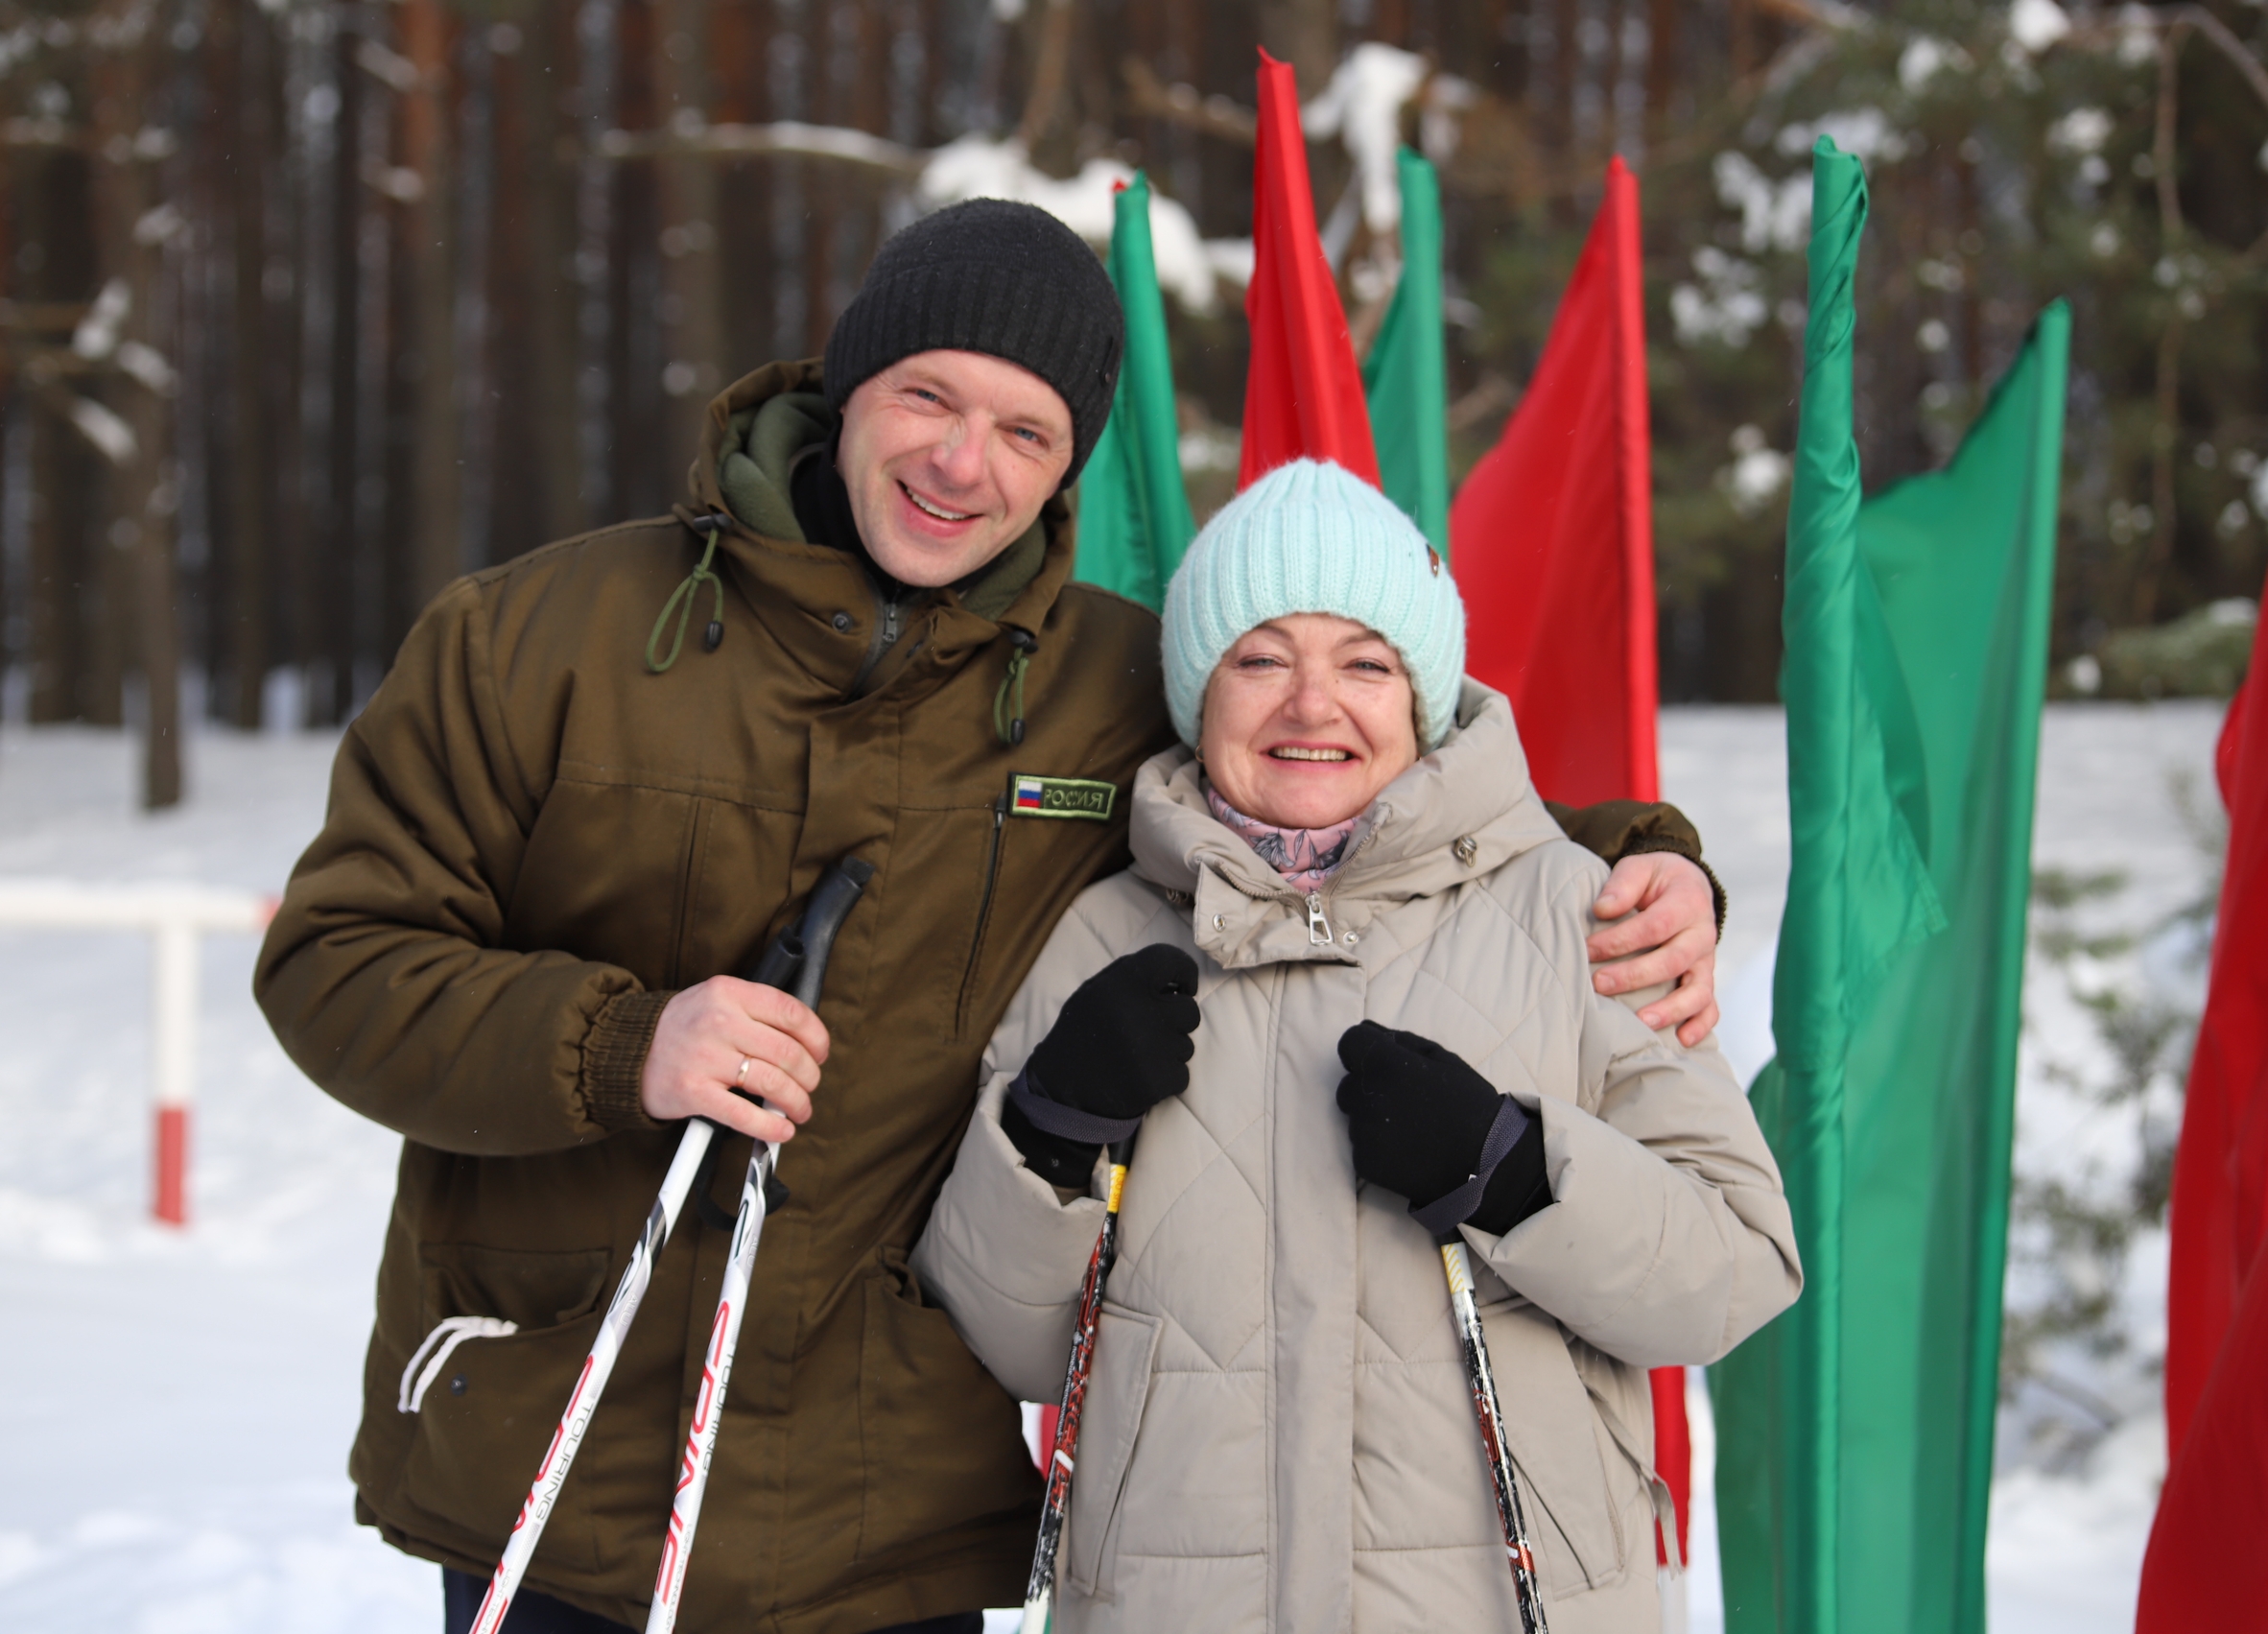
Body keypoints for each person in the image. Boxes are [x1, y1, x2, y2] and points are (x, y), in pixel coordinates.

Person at [254, 201, 1729, 1634]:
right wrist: (622, 1043)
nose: (963, 463)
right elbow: (337, 958)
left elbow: (1359, 783)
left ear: (1066, 462)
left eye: (1026, 430)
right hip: (572, 1459)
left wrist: (1645, 858)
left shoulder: (1110, 680)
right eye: (928, 397)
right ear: (845, 386)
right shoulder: (537, 637)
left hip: (890, 1508)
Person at [913, 460, 1800, 1631]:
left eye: (1366, 663)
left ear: (1423, 697)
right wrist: (1050, 1132)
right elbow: (1016, 1345)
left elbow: (1733, 1277)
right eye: (1260, 658)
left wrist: (1512, 1171)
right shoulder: (1093, 933)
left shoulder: (1575, 912)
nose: (1311, 705)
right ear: (1196, 692)